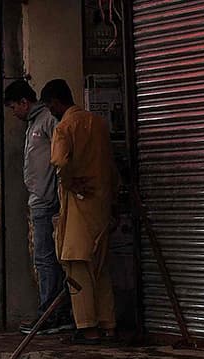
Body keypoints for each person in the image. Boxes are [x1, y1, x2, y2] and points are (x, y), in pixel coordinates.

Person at [43, 79, 117, 344]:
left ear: (55, 102)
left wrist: (69, 181)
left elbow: (59, 161)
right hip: (102, 204)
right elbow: (110, 165)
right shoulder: (98, 124)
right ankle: (108, 324)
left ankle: (89, 328)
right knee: (101, 268)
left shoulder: (64, 127)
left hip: (78, 206)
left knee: (77, 267)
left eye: (50, 105)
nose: (50, 110)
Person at [4, 79, 66, 335]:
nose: (14, 113)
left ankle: (52, 313)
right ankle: (51, 311)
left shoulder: (48, 121)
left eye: (13, 107)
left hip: (48, 201)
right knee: (43, 258)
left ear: (24, 102)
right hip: (39, 199)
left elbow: (61, 159)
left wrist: (55, 194)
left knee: (47, 258)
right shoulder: (33, 124)